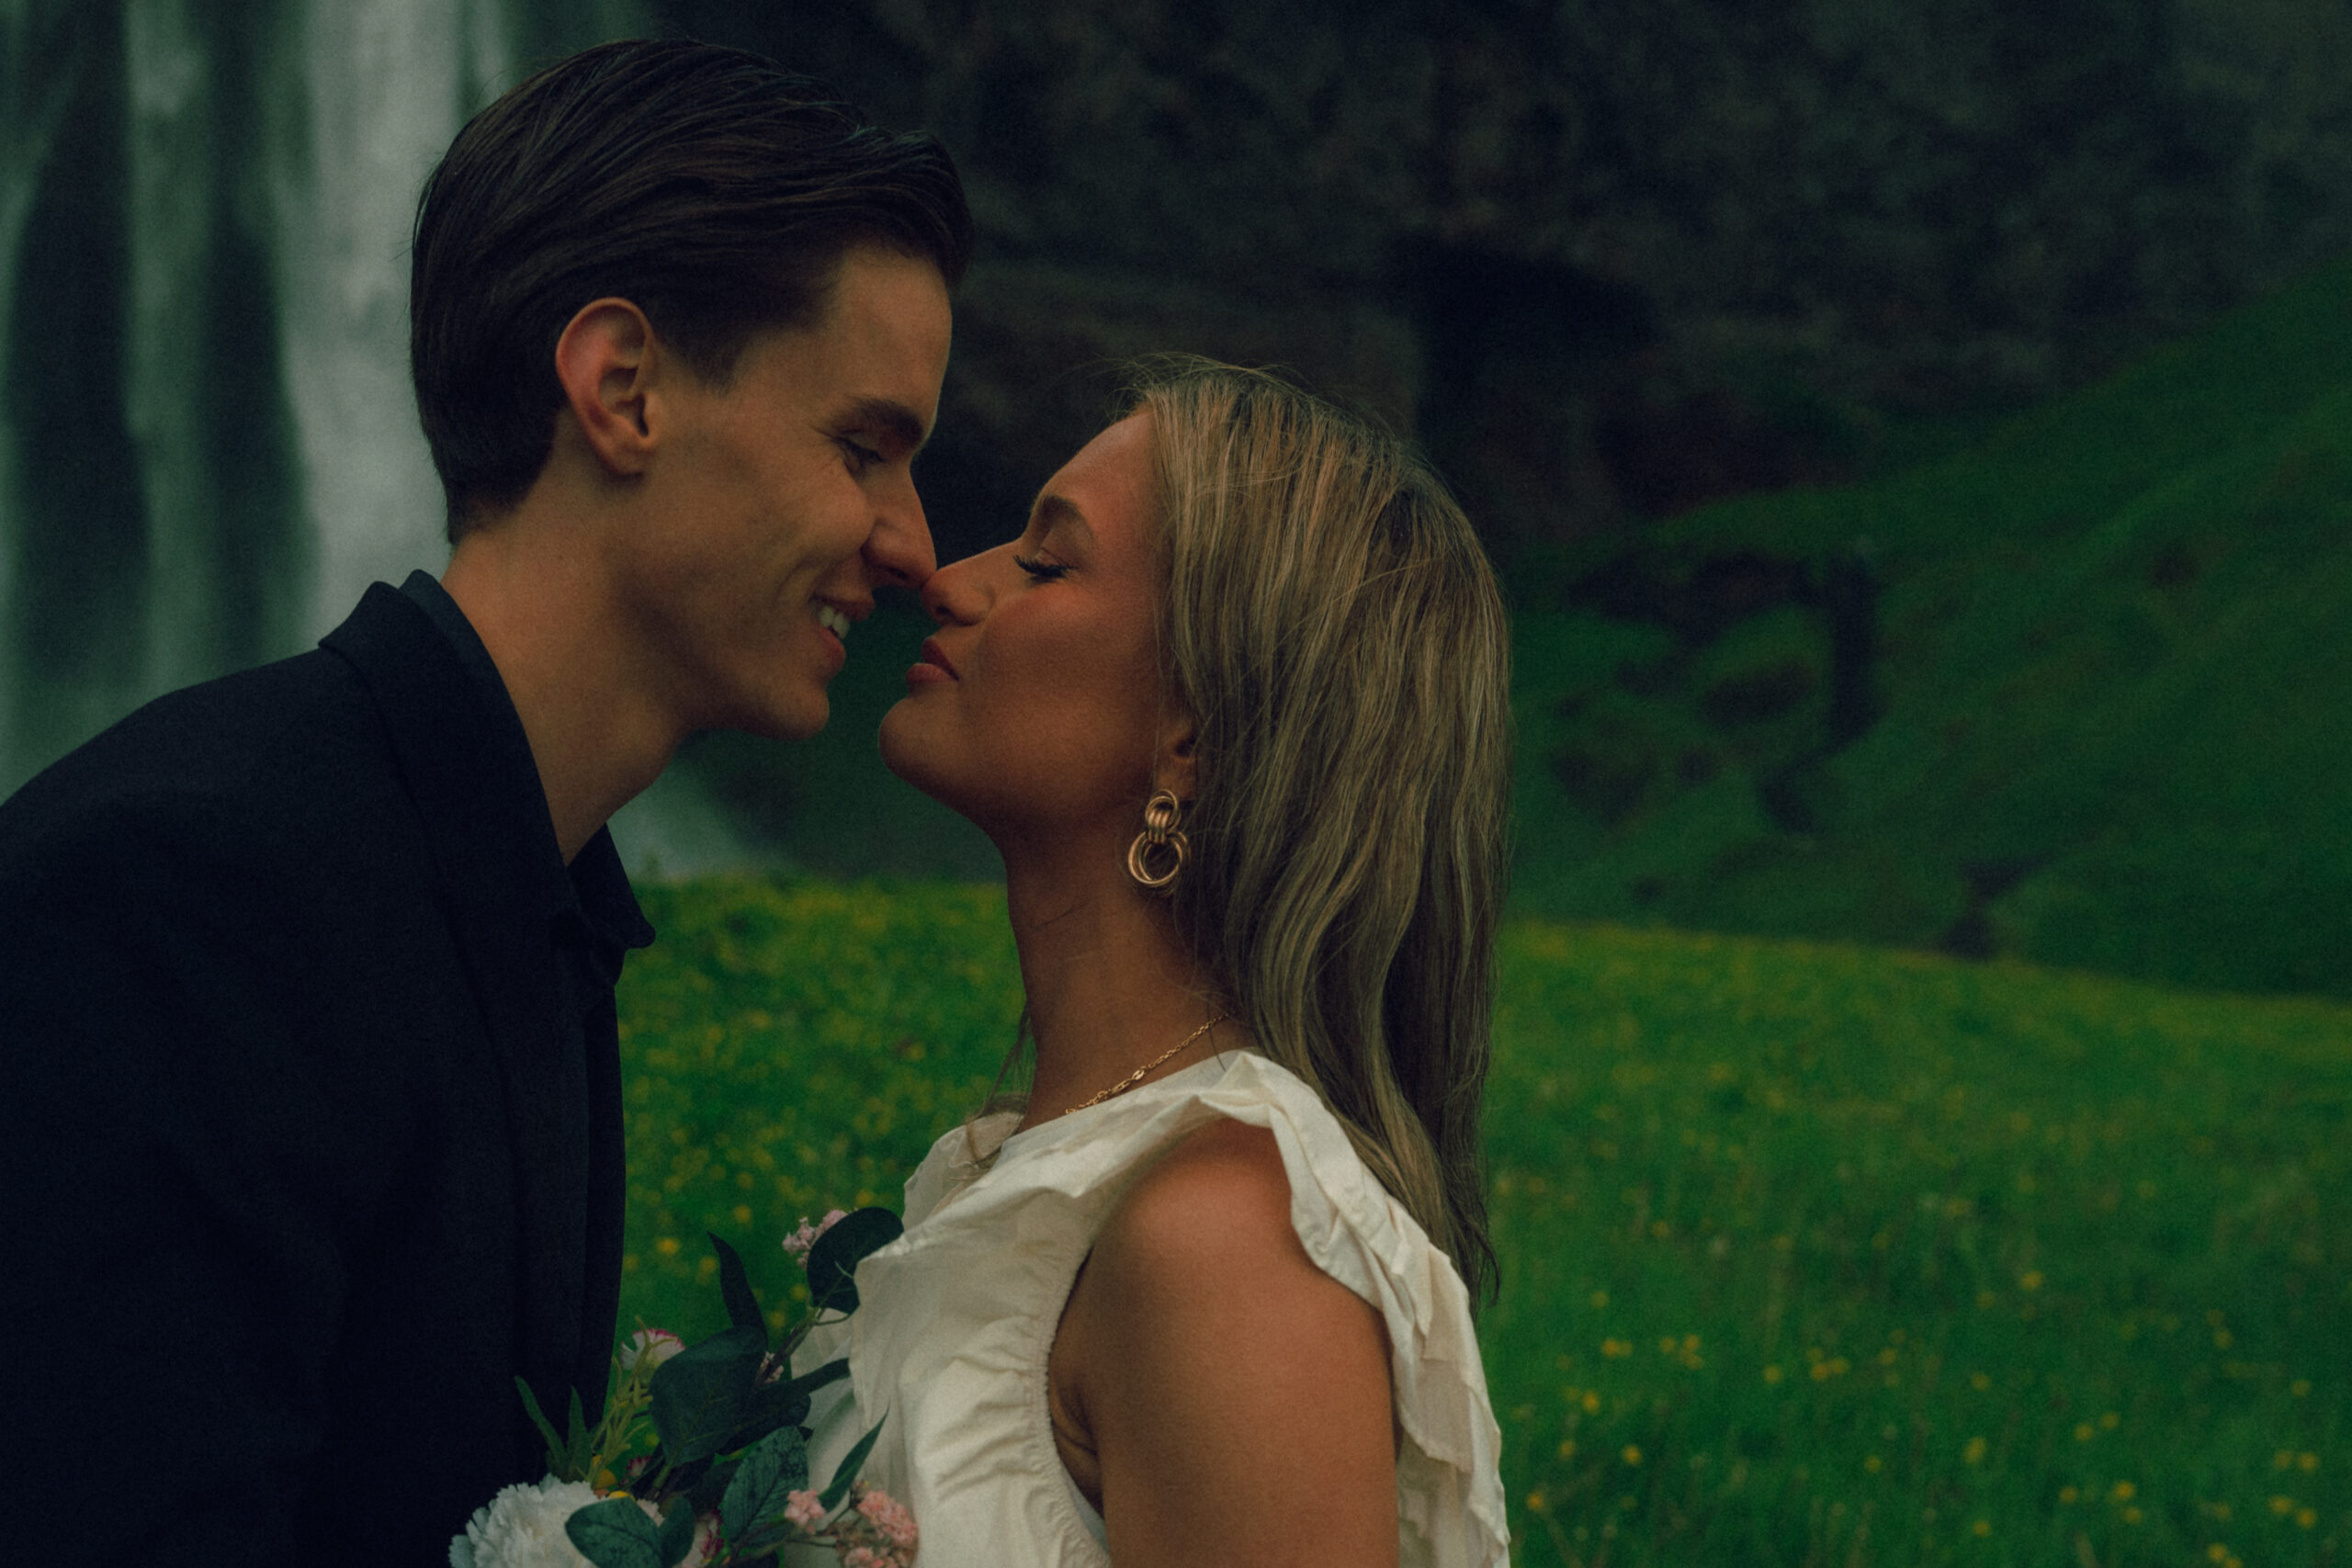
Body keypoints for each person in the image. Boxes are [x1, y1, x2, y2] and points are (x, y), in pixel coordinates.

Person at [0, 39, 967, 1565]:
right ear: (622, 388)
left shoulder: (531, 894)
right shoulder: (181, 892)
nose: (912, 545)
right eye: (864, 448)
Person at [797, 359, 1512, 1565]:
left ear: (1195, 731)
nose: (945, 578)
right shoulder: (1047, 1176)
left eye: (1044, 562)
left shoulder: (1227, 1252)